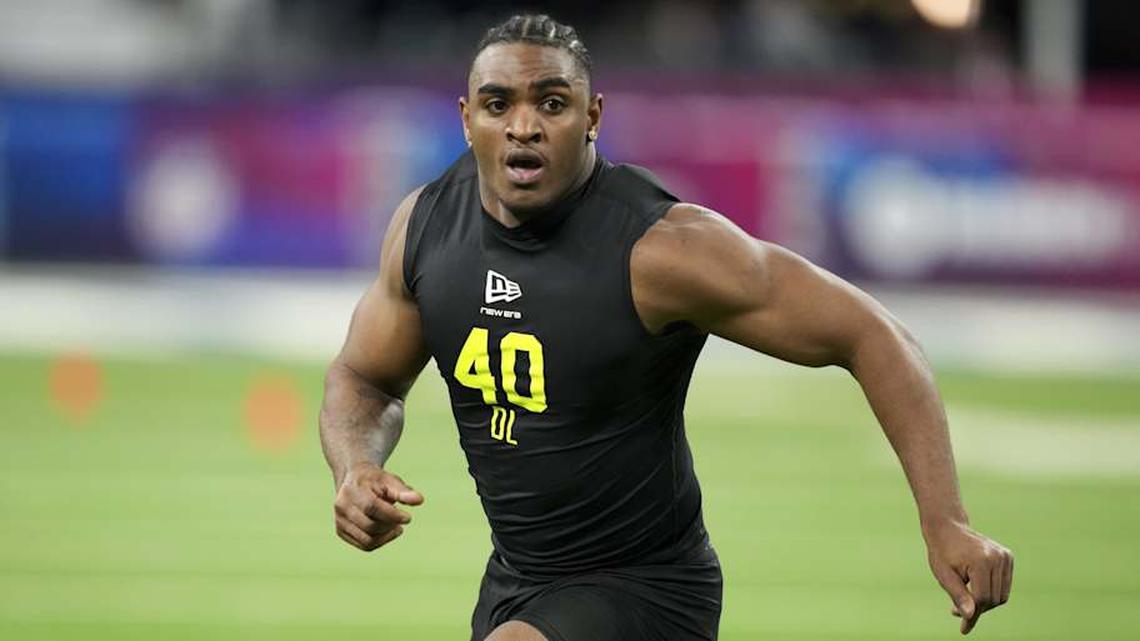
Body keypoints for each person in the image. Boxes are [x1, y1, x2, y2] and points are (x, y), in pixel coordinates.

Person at [318, 13, 1013, 641]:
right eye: (499, 105)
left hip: (646, 592)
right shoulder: (426, 227)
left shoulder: (662, 250)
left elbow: (873, 332)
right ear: (468, 118)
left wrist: (944, 518)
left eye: (551, 104)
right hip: (515, 584)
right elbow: (365, 377)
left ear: (592, 116)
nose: (523, 126)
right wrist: (356, 467)